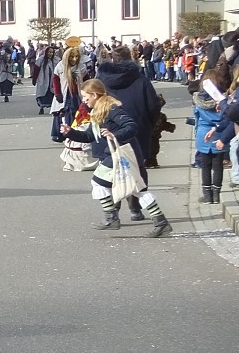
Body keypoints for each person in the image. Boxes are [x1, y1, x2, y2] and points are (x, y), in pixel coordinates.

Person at [59, 78, 172, 237]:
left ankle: (112, 218)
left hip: (124, 153)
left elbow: (131, 126)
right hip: (118, 154)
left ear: (95, 95)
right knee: (137, 187)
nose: (84, 102)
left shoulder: (111, 108)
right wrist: (70, 133)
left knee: (98, 182)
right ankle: (161, 222)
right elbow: (90, 135)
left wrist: (114, 135)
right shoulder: (97, 110)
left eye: (86, 98)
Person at [96, 46, 160, 221]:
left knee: (110, 170)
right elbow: (153, 106)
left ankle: (113, 210)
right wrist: (148, 125)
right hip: (136, 130)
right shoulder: (141, 79)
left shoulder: (101, 79)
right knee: (136, 170)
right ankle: (135, 209)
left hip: (108, 130)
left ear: (112, 59)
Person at [193, 70, 229, 204]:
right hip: (219, 133)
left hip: (203, 133)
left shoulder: (198, 99)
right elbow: (227, 115)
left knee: (205, 166)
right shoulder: (223, 99)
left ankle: (207, 195)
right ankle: (216, 195)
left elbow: (196, 116)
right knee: (218, 166)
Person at [35, 45, 59, 119]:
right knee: (42, 93)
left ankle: (53, 109)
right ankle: (41, 107)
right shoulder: (41, 59)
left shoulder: (56, 60)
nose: (50, 54)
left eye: (52, 52)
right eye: (49, 52)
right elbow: (36, 70)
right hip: (43, 79)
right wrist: (34, 79)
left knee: (52, 94)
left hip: (52, 80)